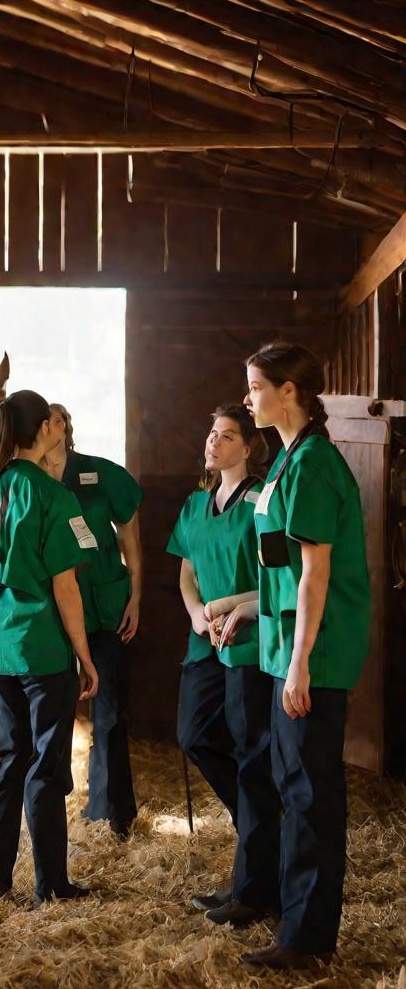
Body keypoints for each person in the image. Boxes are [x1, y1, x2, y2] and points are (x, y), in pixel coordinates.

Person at [229, 342, 370, 970]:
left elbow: (315, 574)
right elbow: (282, 572)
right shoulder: (289, 461)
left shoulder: (311, 464)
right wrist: (244, 607)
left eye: (256, 386)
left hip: (313, 652)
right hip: (289, 642)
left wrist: (300, 664)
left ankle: (308, 939)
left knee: (310, 793)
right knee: (292, 786)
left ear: (290, 392)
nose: (247, 397)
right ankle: (295, 920)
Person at [0, 390, 100, 906]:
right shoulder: (51, 496)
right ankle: (51, 886)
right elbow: (65, 586)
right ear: (46, 428)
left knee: (7, 762)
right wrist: (84, 655)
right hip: (43, 649)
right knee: (46, 768)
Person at [166, 405, 281, 925]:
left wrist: (223, 606)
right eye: (212, 433)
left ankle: (254, 885)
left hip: (249, 642)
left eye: (227, 436)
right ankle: (261, 836)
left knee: (251, 755)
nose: (214, 442)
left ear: (249, 447)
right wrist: (196, 614)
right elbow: (187, 571)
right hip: (205, 642)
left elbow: (280, 581)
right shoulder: (195, 504)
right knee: (194, 736)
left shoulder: (261, 503)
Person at [42, 404, 143, 838]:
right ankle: (49, 813)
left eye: (60, 418)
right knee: (52, 717)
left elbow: (130, 537)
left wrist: (136, 594)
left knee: (110, 715)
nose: (54, 427)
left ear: (68, 426)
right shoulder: (24, 480)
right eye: (45, 421)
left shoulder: (103, 475)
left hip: (105, 608)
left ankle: (112, 812)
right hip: (52, 615)